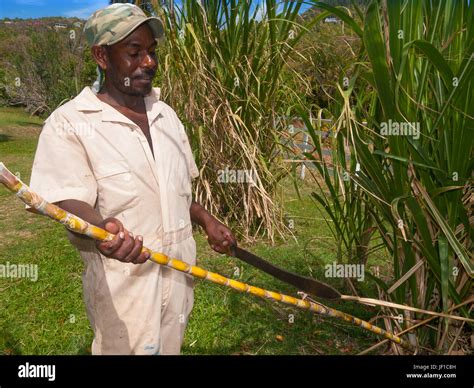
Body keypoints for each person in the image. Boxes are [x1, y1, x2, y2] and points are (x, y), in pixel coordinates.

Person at [28, 3, 236, 355]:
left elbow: (176, 190)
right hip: (123, 283)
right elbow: (67, 199)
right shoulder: (71, 121)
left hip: (180, 271)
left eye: (152, 52)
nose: (150, 62)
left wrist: (205, 219)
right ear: (102, 56)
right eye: (134, 52)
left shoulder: (165, 115)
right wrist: (102, 228)